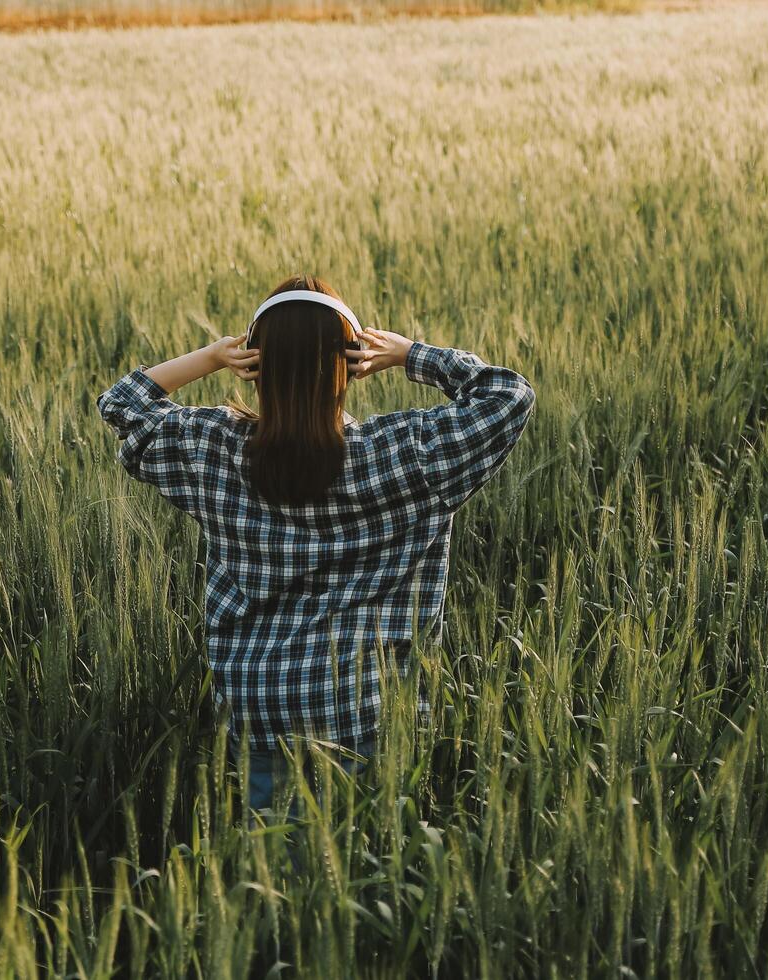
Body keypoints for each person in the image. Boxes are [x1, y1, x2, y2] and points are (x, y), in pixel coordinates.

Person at [96, 274, 535, 817]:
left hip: (259, 712)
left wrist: (211, 357)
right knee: (362, 872)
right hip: (366, 713)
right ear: (348, 363)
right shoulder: (402, 453)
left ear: (255, 363)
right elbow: (508, 396)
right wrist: (409, 355)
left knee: (270, 876)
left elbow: (124, 404)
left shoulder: (214, 450)